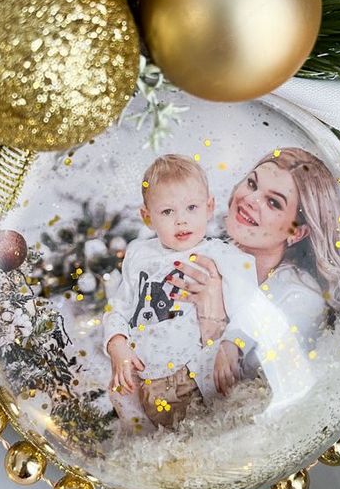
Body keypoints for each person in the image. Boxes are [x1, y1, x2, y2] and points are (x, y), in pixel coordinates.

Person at [171, 147, 340, 403]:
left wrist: (212, 317)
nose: (250, 199)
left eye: (273, 202)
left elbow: (238, 405)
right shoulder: (212, 257)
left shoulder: (300, 300)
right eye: (252, 184)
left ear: (297, 233)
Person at [102, 153, 264, 428]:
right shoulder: (140, 254)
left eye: (191, 207)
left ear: (209, 206)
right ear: (147, 217)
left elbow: (250, 308)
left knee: (200, 438)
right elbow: (119, 306)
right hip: (143, 378)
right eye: (167, 211)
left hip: (193, 376)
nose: (181, 221)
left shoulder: (221, 255)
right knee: (145, 442)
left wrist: (231, 345)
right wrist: (116, 343)